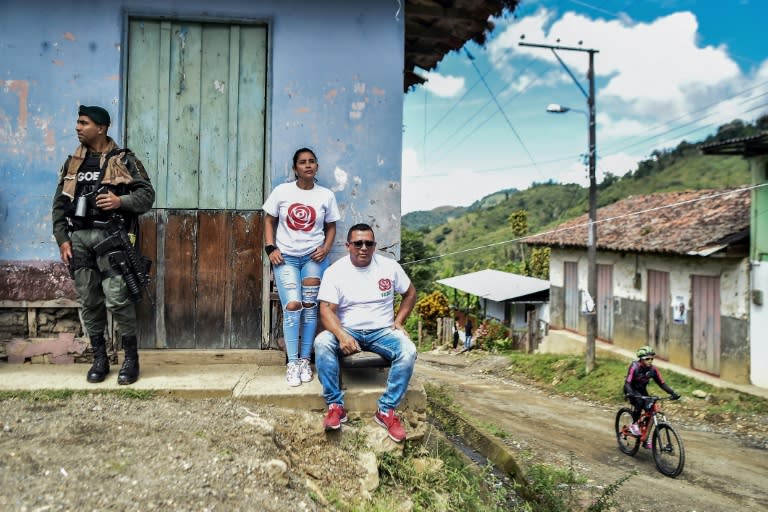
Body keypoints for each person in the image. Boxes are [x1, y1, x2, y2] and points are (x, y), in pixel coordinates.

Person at [52, 105, 155, 385]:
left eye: (83, 123)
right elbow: (60, 204)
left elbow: (147, 195)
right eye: (77, 122)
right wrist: (63, 239)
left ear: (101, 127)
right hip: (80, 239)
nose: (77, 127)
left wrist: (119, 201)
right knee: (89, 301)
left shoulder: (123, 159)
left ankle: (130, 360)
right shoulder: (73, 163)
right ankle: (100, 358)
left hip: (111, 238)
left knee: (118, 299)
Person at [314, 223, 417, 442]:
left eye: (368, 243)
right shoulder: (335, 271)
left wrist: (399, 321)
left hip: (382, 331)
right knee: (322, 342)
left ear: (374, 245)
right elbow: (325, 310)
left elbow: (410, 293)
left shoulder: (389, 267)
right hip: (348, 330)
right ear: (348, 245)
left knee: (408, 350)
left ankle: (386, 410)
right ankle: (335, 406)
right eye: (358, 243)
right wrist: (341, 335)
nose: (363, 248)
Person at [263, 148, 340, 387]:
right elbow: (268, 219)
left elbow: (331, 226)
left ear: (317, 166)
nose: (307, 165)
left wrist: (326, 249)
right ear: (295, 167)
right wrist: (270, 248)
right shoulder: (282, 191)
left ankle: (306, 360)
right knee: (292, 306)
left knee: (309, 308)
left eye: (312, 162)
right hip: (285, 258)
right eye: (302, 162)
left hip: (313, 260)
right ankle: (292, 363)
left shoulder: (326, 195)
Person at [624, 346, 680, 444]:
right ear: (641, 359)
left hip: (642, 391)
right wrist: (630, 394)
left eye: (651, 358)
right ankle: (634, 425)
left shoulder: (653, 370)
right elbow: (627, 383)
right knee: (639, 402)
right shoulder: (634, 367)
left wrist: (673, 393)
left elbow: (662, 383)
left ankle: (645, 434)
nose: (650, 361)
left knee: (650, 408)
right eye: (647, 359)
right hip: (631, 389)